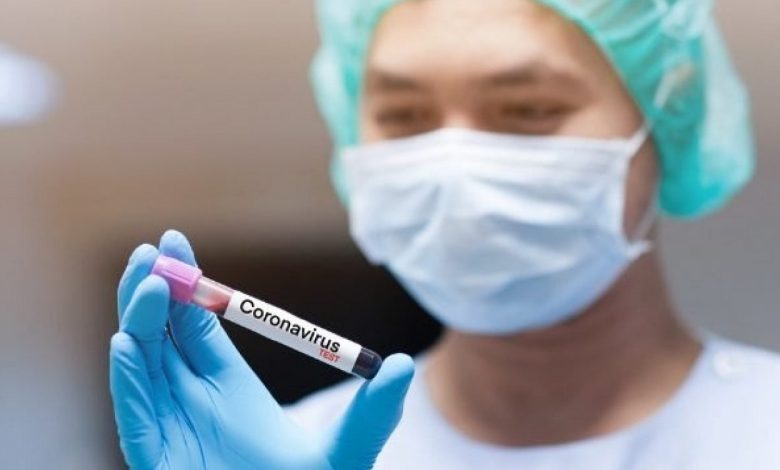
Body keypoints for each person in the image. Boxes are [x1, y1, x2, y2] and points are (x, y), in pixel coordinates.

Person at [109, 0, 779, 468]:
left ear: (667, 112)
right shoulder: (294, 449)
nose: (453, 169)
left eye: (528, 108)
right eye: (403, 115)